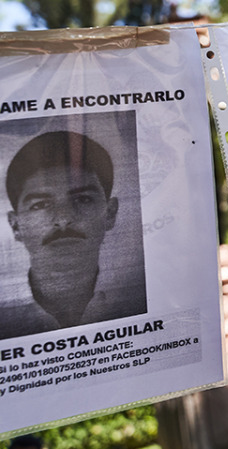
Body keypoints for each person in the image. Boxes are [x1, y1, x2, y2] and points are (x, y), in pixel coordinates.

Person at [4, 130, 144, 337]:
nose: (63, 219)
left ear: (110, 213)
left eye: (83, 199)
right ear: (16, 226)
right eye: (41, 204)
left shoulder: (140, 297)